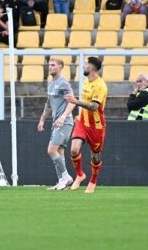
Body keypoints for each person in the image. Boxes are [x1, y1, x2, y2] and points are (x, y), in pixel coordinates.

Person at [65, 56, 108, 193]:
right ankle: (80, 175)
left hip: (96, 126)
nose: (83, 66)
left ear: (92, 67)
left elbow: (94, 106)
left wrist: (75, 101)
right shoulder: (86, 81)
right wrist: (79, 114)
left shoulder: (100, 85)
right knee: (74, 150)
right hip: (82, 122)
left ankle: (93, 180)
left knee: (95, 157)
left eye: (85, 64)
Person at [37, 58, 76, 190]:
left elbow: (72, 102)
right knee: (59, 152)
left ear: (60, 67)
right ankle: (61, 182)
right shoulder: (51, 84)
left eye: (53, 65)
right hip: (57, 122)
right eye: (49, 65)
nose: (50, 67)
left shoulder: (64, 83)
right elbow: (48, 105)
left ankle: (66, 177)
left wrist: (63, 117)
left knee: (51, 150)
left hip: (64, 122)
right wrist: (42, 119)